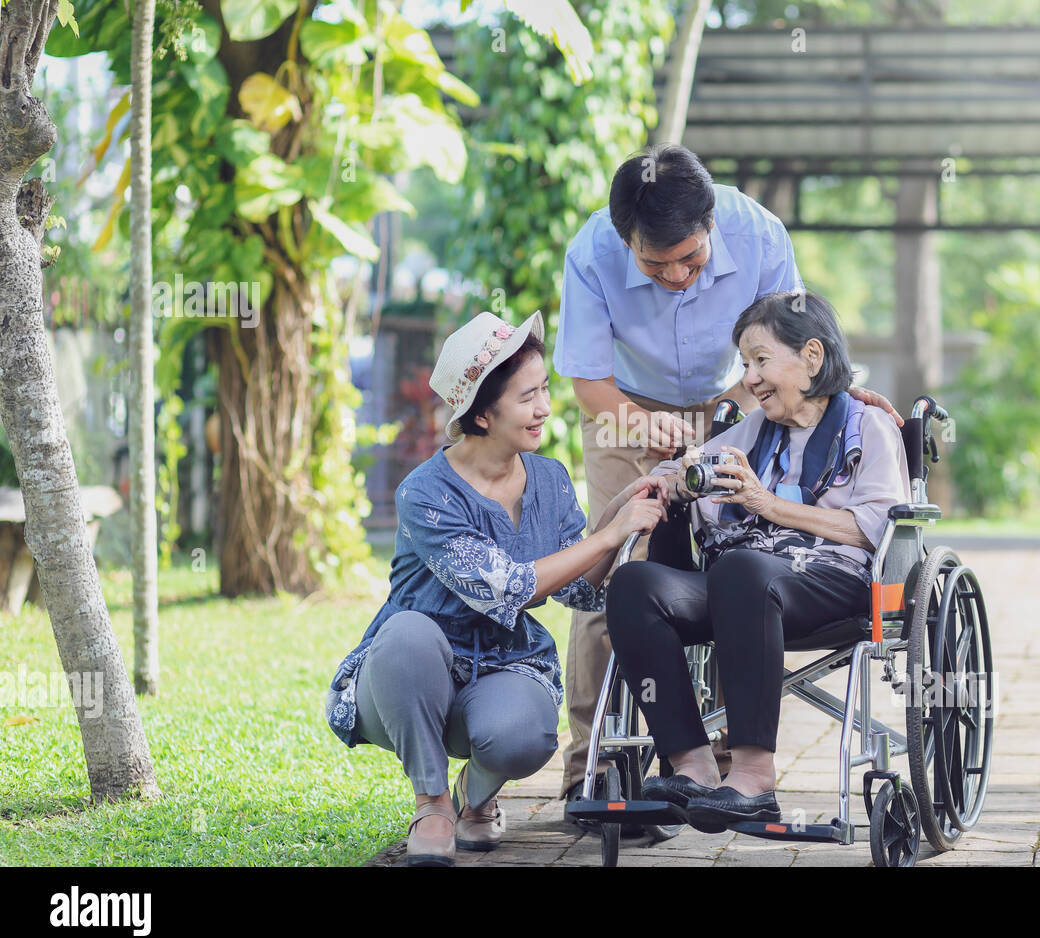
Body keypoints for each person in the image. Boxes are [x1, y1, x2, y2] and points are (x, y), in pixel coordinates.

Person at [554, 143, 903, 807]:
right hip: (622, 402)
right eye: (655, 265)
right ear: (626, 242)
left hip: (737, 397)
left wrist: (828, 391)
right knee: (621, 571)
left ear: (711, 225)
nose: (676, 277)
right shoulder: (591, 253)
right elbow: (588, 380)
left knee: (736, 566)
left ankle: (728, 759)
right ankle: (596, 767)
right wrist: (647, 455)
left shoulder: (760, 236)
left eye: (690, 259)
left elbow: (792, 340)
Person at [325, 311, 669, 866]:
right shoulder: (425, 493)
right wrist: (608, 534)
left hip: (502, 665)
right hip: (406, 678)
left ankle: (473, 795)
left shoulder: (550, 479)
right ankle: (432, 804)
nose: (545, 408)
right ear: (482, 414)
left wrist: (621, 513)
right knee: (410, 634)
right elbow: (508, 588)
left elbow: (579, 591)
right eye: (528, 397)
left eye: (545, 389)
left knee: (524, 735)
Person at [604, 290, 911, 831]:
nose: (748, 378)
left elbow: (878, 528)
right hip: (741, 585)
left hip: (833, 581)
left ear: (811, 356)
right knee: (635, 584)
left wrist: (768, 505)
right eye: (744, 364)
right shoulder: (751, 430)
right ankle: (692, 765)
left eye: (760, 360)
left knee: (742, 569)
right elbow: (689, 490)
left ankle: (752, 776)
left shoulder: (870, 427)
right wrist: (679, 484)